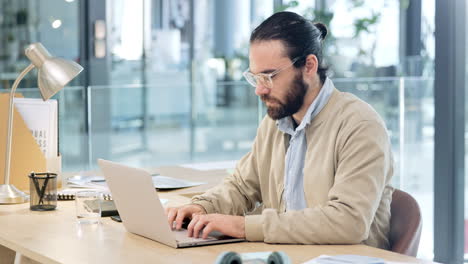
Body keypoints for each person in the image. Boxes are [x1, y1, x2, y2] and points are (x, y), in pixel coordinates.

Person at [166, 11, 394, 249]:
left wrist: (244, 226)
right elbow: (242, 187)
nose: (260, 90)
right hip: (289, 254)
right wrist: (203, 207)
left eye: (269, 76)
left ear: (309, 65)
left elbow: (348, 222)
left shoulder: (360, 125)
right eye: (255, 78)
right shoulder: (277, 121)